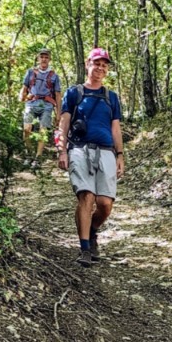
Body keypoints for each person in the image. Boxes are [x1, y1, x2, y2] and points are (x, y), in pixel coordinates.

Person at [56, 48, 124, 266]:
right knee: (87, 196)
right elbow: (64, 122)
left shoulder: (111, 97)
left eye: (104, 65)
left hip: (106, 151)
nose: (100, 68)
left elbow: (116, 128)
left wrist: (120, 155)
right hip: (79, 148)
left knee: (105, 204)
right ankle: (85, 248)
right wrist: (62, 149)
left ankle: (93, 231)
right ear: (88, 64)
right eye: (97, 63)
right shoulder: (74, 93)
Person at [20, 48, 63, 163]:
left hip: (47, 105)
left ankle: (38, 157)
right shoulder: (30, 72)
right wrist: (21, 97)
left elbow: (58, 95)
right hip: (31, 103)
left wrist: (58, 113)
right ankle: (28, 154)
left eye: (46, 57)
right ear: (38, 58)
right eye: (42, 57)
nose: (44, 59)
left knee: (43, 131)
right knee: (26, 129)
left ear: (49, 59)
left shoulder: (54, 76)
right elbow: (24, 88)